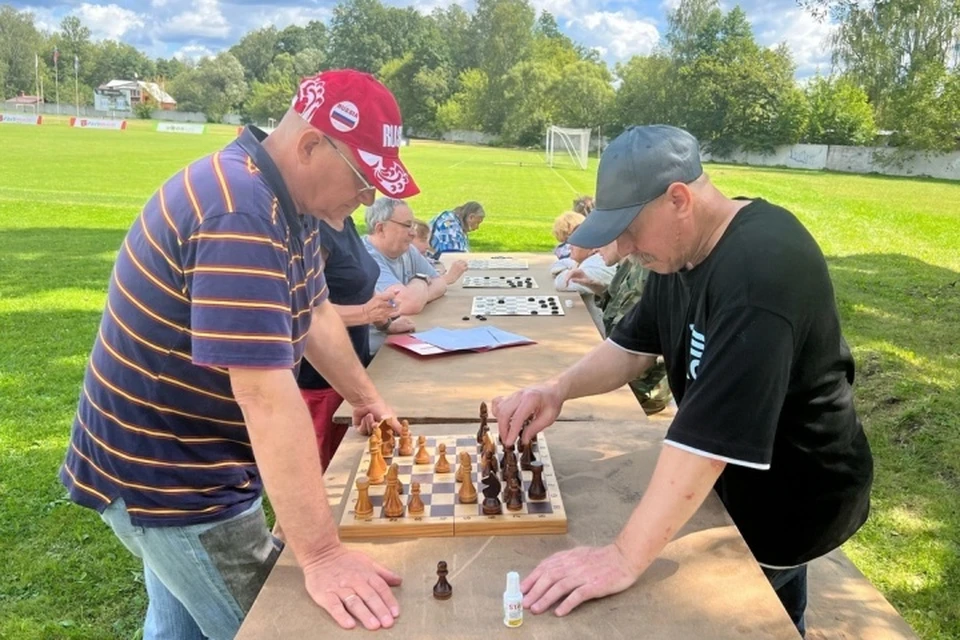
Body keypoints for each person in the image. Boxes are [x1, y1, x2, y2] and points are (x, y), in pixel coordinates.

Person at [59, 70, 420, 638]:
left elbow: (318, 314)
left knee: (178, 629)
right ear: (309, 146)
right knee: (271, 626)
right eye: (362, 176)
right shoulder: (242, 213)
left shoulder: (283, 200)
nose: (369, 196)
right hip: (172, 477)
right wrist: (322, 555)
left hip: (171, 458)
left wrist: (367, 398)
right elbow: (265, 396)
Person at [494, 125, 873, 637]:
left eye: (629, 229)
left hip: (793, 495)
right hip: (731, 483)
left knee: (765, 615)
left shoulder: (761, 266)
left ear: (678, 199)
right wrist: (557, 389)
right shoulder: (678, 255)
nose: (622, 248)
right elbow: (631, 347)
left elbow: (706, 446)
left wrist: (624, 557)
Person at [295, 212, 403, 472]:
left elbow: (357, 285)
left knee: (355, 461)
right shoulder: (316, 231)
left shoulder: (346, 222)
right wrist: (366, 313)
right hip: (322, 376)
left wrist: (384, 321)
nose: (367, 196)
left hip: (354, 365)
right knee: (327, 470)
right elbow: (306, 312)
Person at [568, 246, 673, 416]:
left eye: (604, 240)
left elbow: (635, 345)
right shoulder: (630, 264)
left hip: (641, 389)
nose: (595, 249)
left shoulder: (651, 271)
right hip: (626, 374)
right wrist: (597, 287)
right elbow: (616, 304)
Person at [363, 197, 461, 353]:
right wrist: (421, 280)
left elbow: (440, 284)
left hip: (401, 339)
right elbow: (407, 304)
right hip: (376, 354)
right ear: (381, 229)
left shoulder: (407, 250)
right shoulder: (366, 257)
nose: (413, 232)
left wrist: (417, 295)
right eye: (407, 225)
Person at [412, 217, 467, 284]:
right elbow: (427, 285)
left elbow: (433, 272)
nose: (427, 246)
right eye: (423, 240)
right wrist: (449, 278)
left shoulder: (419, 260)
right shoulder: (407, 264)